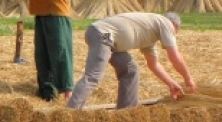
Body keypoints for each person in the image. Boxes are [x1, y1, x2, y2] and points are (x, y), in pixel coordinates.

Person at [66, 12, 197, 110]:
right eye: (174, 33)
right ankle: (70, 112)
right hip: (103, 35)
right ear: (174, 26)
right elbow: (174, 56)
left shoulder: (150, 37)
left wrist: (171, 84)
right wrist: (188, 78)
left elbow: (154, 64)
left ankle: (126, 112)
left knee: (131, 70)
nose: (172, 37)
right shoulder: (166, 23)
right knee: (93, 76)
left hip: (110, 41)